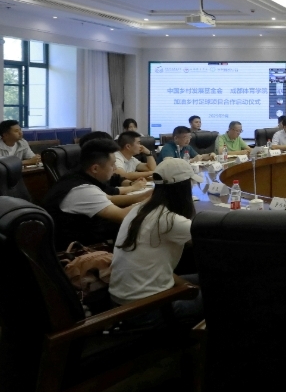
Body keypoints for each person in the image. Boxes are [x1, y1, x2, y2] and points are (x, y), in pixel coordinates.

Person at [109, 158, 203, 328]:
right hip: (147, 309)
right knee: (227, 291)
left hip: (124, 301)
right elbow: (213, 243)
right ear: (184, 188)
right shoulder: (170, 220)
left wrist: (186, 286)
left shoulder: (139, 209)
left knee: (208, 277)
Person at [42, 139, 146, 250]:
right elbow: (123, 216)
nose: (115, 169)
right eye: (112, 164)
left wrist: (147, 195)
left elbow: (110, 198)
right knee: (139, 227)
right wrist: (155, 199)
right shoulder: (83, 189)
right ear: (95, 168)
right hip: (78, 250)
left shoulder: (77, 176)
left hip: (89, 235)